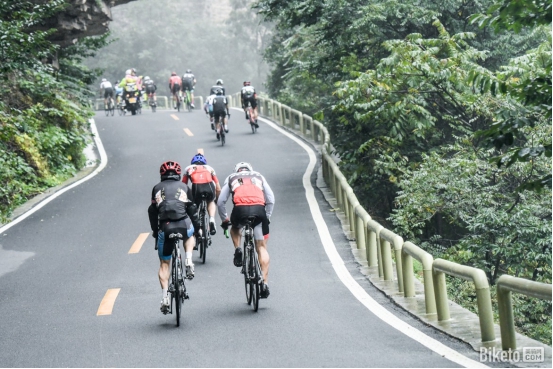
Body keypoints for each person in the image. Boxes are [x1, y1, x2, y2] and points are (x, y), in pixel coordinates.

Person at [148, 161, 200, 313]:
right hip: (183, 223)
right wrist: (198, 228)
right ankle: (189, 259)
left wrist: (155, 232)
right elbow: (192, 209)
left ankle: (165, 297)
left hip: (165, 226)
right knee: (190, 234)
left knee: (165, 264)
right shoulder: (184, 187)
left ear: (162, 175)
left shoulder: (156, 188)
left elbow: (152, 211)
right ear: (178, 174)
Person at [217, 162, 275, 298]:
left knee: (235, 228)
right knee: (261, 247)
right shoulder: (259, 176)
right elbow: (270, 199)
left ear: (237, 170)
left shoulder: (232, 177)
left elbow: (220, 202)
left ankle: (238, 249)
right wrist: (267, 216)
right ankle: (265, 282)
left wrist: (225, 219)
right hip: (259, 210)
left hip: (240, 210)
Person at [182, 153, 221, 236]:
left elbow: (183, 186)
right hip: (209, 185)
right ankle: (212, 219)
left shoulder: (188, 168)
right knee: (210, 201)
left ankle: (197, 228)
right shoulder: (210, 168)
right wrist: (217, 200)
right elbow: (218, 187)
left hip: (196, 187)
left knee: (194, 205)